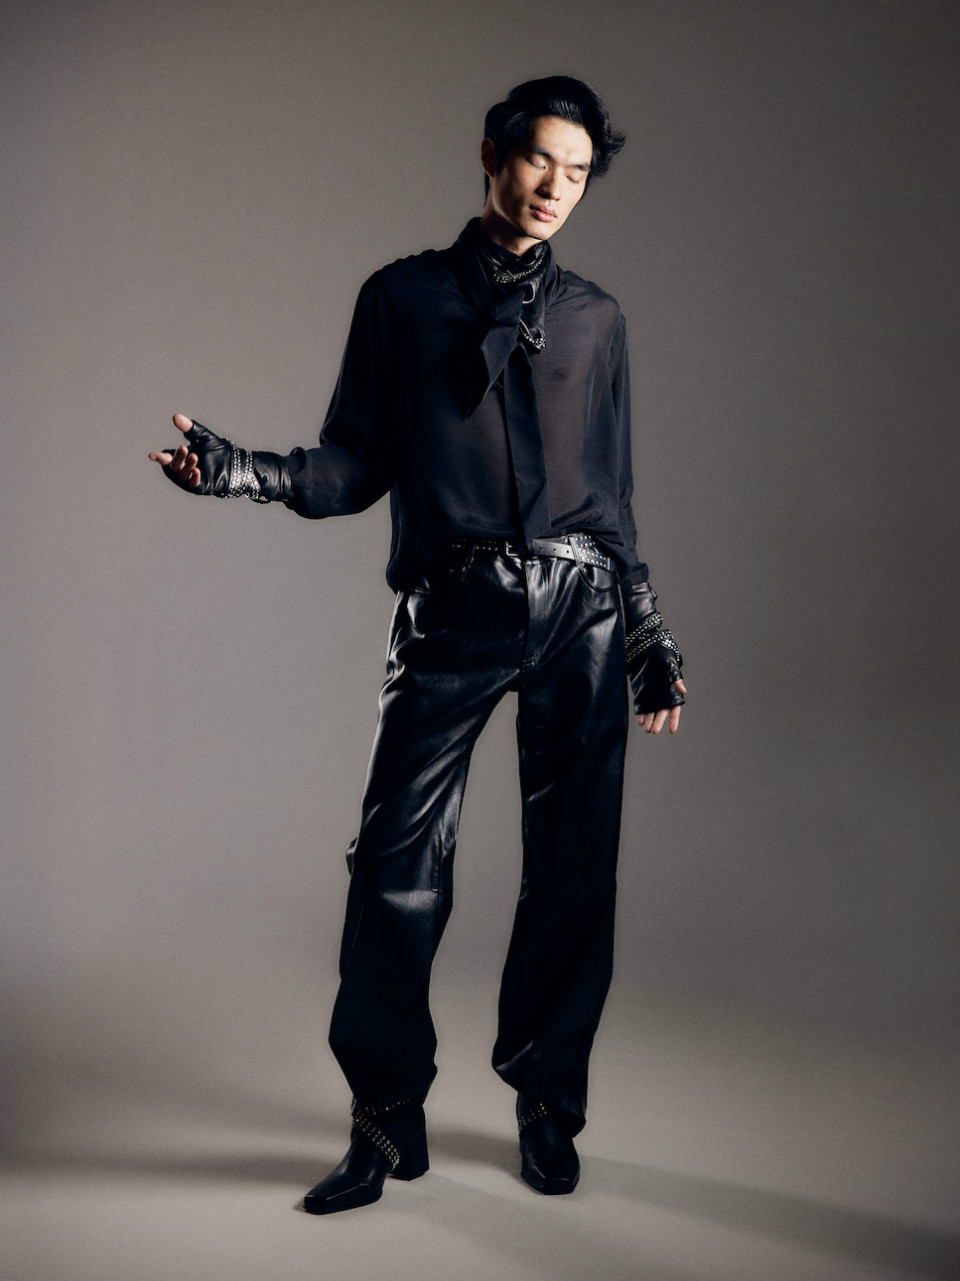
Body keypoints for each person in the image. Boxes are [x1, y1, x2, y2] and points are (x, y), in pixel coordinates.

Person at [149, 75, 687, 1214]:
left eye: (578, 173)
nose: (555, 188)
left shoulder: (596, 320)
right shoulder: (401, 299)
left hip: (582, 610)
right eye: (539, 160)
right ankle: (384, 1116)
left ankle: (549, 1103)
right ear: (492, 154)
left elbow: (612, 493)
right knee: (396, 866)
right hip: (454, 604)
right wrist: (245, 472)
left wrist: (645, 628)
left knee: (575, 871)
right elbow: (355, 463)